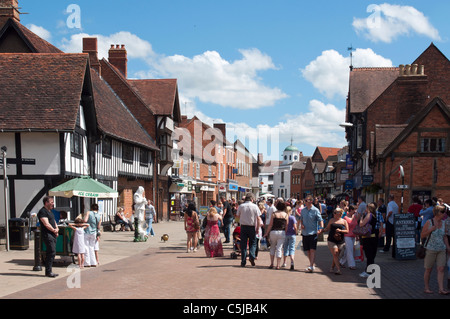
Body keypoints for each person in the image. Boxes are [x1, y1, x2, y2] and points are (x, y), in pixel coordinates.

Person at [422, 205, 450, 295]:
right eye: (443, 212)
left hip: (441, 249)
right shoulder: (429, 222)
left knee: (441, 268)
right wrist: (430, 230)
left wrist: (448, 247)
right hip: (431, 249)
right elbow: (422, 235)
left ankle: (441, 289)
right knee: (428, 269)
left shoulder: (444, 223)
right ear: (438, 213)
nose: (444, 214)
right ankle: (426, 288)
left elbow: (445, 236)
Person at [299, 195, 324, 273]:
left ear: (311, 201)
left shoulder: (315, 210)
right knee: (308, 251)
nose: (305, 202)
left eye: (306, 200)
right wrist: (301, 225)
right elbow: (301, 219)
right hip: (305, 233)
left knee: (312, 250)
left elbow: (320, 220)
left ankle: (311, 265)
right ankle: (312, 265)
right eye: (305, 200)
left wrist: (321, 228)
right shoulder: (303, 210)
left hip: (313, 233)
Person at [236, 193, 261, 267]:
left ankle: (243, 261)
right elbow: (258, 218)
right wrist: (257, 228)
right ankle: (251, 256)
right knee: (253, 243)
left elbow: (237, 216)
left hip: (243, 226)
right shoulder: (255, 206)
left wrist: (237, 223)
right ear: (251, 199)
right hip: (251, 226)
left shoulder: (241, 206)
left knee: (243, 244)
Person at [37, 196, 59, 277]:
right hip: (47, 234)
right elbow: (46, 224)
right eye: (51, 202)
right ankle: (48, 271)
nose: (53, 204)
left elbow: (53, 221)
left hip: (52, 234)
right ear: (46, 203)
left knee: (53, 252)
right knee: (51, 251)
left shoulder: (50, 211)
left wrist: (56, 228)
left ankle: (49, 270)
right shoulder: (42, 211)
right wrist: (53, 230)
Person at [265, 201, 289, 269]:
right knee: (279, 248)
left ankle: (272, 263)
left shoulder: (274, 214)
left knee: (272, 247)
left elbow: (270, 225)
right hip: (282, 232)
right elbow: (287, 226)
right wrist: (286, 233)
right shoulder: (286, 215)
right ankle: (278, 265)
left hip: (273, 232)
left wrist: (267, 233)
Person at [324, 207, 348, 275]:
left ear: (339, 214)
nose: (334, 214)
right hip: (331, 239)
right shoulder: (331, 220)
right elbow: (327, 228)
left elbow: (347, 231)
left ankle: (332, 267)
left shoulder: (344, 221)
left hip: (340, 240)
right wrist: (322, 230)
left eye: (335, 213)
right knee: (335, 253)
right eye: (334, 213)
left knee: (336, 255)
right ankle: (338, 269)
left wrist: (340, 231)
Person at [359, 203, 378, 278]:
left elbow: (361, 224)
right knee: (372, 255)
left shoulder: (368, 215)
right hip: (373, 236)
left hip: (367, 237)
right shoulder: (374, 215)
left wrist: (361, 218)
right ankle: (370, 269)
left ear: (368, 208)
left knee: (368, 254)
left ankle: (368, 271)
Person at [83, 203, 101, 267]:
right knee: (92, 247)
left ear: (91, 208)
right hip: (94, 233)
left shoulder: (89, 212)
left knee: (86, 247)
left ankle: (87, 262)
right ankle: (93, 262)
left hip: (87, 231)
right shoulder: (99, 216)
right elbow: (98, 226)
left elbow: (85, 220)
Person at [340, 205, 357, 270]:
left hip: (353, 235)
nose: (355, 211)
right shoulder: (345, 218)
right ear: (350, 210)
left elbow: (356, 226)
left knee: (348, 250)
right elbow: (343, 226)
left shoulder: (355, 217)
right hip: (347, 236)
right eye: (354, 210)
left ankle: (341, 262)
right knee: (350, 250)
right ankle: (351, 265)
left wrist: (357, 235)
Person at [283, 206, 298, 270]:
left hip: (286, 234)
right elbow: (295, 227)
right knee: (291, 249)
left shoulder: (285, 217)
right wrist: (296, 232)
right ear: (290, 211)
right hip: (292, 234)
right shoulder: (292, 217)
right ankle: (292, 262)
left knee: (285, 248)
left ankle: (284, 262)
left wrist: (285, 233)